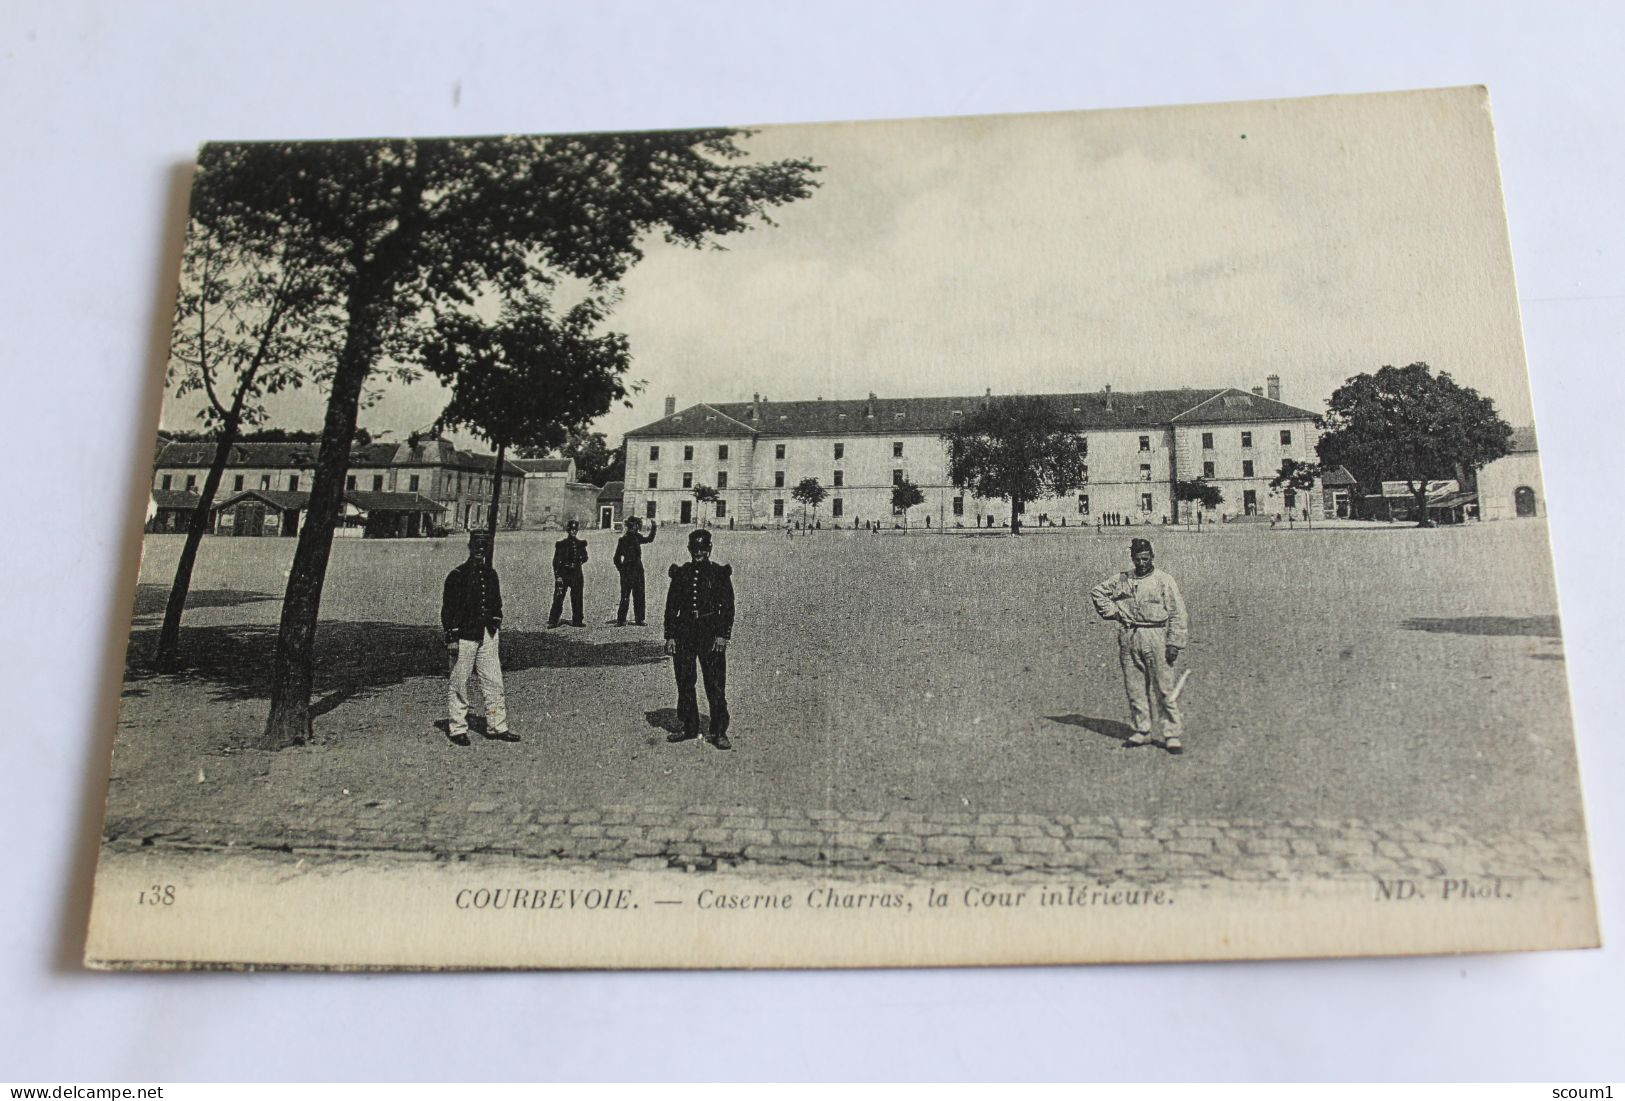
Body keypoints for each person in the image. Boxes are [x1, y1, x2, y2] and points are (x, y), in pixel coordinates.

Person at [1090, 537, 1189, 754]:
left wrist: (1174, 643)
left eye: (1145, 558)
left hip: (1157, 634)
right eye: (1137, 559)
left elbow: (1177, 613)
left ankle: (1171, 733)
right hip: (1130, 635)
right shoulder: (1123, 579)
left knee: (1164, 688)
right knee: (1134, 687)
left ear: (1152, 557)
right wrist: (1114, 613)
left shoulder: (1164, 580)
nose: (1142, 563)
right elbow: (1098, 592)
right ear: (1132, 559)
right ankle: (1142, 730)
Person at [441, 531, 515, 747]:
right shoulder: (457, 575)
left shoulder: (490, 574)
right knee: (459, 682)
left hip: (488, 634)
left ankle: (497, 726)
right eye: (477, 544)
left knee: (494, 681)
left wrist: (496, 619)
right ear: (469, 546)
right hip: (464, 635)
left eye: (484, 545)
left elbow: (496, 602)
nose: (480, 549)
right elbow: (448, 610)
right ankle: (457, 728)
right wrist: (452, 637)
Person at [663, 528, 735, 750]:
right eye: (695, 549)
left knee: (714, 683)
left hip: (710, 632)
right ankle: (689, 725)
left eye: (703, 549)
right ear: (689, 549)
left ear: (710, 549)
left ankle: (719, 730)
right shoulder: (681, 573)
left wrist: (723, 635)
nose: (699, 553)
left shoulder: (719, 573)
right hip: (685, 631)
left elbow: (728, 607)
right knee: (685, 681)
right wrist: (670, 636)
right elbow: (671, 607)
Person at [612, 516, 657, 626]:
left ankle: (639, 619)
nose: (634, 528)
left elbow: (649, 539)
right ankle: (621, 620)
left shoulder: (637, 537)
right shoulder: (622, 540)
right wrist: (621, 569)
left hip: (637, 570)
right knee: (625, 595)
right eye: (632, 526)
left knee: (639, 595)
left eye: (636, 526)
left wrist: (654, 528)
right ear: (629, 527)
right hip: (627, 570)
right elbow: (616, 558)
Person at [548, 518, 589, 627]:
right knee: (558, 597)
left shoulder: (581, 544)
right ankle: (553, 620)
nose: (574, 532)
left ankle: (577, 620)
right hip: (564, 574)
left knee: (577, 598)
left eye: (575, 530)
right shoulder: (561, 544)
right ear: (568, 530)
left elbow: (585, 557)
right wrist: (557, 576)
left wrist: (577, 562)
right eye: (571, 530)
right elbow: (555, 562)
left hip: (576, 575)